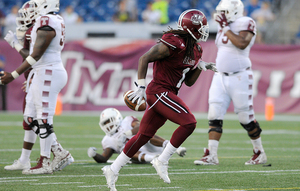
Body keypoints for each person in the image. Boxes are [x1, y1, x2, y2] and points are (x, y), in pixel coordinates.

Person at [102, 9, 217, 191]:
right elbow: (144, 58)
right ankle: (162, 160)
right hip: (158, 91)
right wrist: (140, 86)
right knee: (189, 123)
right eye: (200, 26)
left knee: (142, 137)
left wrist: (201, 67)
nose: (204, 30)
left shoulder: (196, 48)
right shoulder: (173, 41)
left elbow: (188, 81)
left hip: (168, 92)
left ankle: (112, 169)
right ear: (191, 28)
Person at [0, 0, 74, 174]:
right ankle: (59, 152)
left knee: (44, 118)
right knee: (30, 117)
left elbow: (36, 56)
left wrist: (13, 75)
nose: (34, 8)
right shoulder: (50, 20)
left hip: (48, 71)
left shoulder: (47, 22)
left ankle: (45, 162)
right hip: (42, 72)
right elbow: (35, 55)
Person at [194, 0, 267, 166]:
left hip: (239, 76)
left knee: (245, 118)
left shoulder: (246, 22)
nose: (221, 15)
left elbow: (241, 44)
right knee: (214, 115)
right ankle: (211, 154)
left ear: (234, 11)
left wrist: (226, 27)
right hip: (220, 76)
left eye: (225, 11)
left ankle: (259, 152)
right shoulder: (223, 25)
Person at [88, 108, 187, 163]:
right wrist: (94, 155)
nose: (107, 125)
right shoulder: (107, 140)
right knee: (126, 149)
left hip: (153, 146)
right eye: (105, 123)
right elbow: (104, 158)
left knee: (145, 133)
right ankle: (152, 158)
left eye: (109, 121)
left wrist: (127, 134)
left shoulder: (127, 121)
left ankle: (175, 147)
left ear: (117, 118)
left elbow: (142, 127)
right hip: (139, 158)